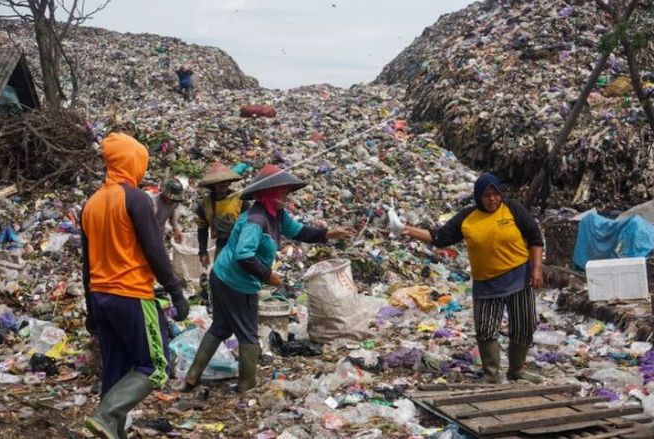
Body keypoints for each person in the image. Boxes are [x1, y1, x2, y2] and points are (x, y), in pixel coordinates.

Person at [185, 165, 354, 392]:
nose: (286, 197)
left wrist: (328, 234)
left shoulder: (276, 215)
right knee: (248, 334)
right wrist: (268, 275)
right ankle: (246, 383)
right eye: (283, 193)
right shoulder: (257, 220)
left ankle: (192, 375)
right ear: (269, 193)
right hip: (235, 281)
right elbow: (244, 255)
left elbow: (300, 232)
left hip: (223, 275)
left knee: (221, 326)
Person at [82, 133, 190, 439]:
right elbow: (154, 248)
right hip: (131, 294)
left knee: (115, 370)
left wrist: (91, 309)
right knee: (156, 365)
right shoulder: (136, 198)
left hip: (102, 297)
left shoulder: (91, 204)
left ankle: (107, 431)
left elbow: (86, 265)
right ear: (133, 162)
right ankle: (104, 416)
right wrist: (175, 291)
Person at [389, 173, 544, 384]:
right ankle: (491, 375)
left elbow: (535, 237)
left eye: (495, 194)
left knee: (524, 326)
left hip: (519, 278)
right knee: (486, 329)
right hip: (487, 284)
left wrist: (536, 269)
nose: (492, 199)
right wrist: (405, 229)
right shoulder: (468, 218)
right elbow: (439, 237)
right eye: (487, 196)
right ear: (478, 196)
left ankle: (516, 370)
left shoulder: (513, 209)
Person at [194, 162, 250, 309]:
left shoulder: (240, 199)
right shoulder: (205, 204)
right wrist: (202, 251)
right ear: (213, 184)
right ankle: (222, 307)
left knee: (240, 276)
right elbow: (202, 228)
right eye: (220, 182)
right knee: (218, 276)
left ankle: (240, 306)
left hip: (240, 243)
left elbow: (250, 225)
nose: (223, 185)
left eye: (226, 181)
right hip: (222, 243)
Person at [153, 177, 185, 243]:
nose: (173, 202)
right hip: (150, 232)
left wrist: (176, 230)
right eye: (171, 199)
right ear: (164, 193)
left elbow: (172, 212)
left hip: (160, 232)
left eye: (174, 200)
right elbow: (146, 224)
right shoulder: (154, 203)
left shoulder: (174, 202)